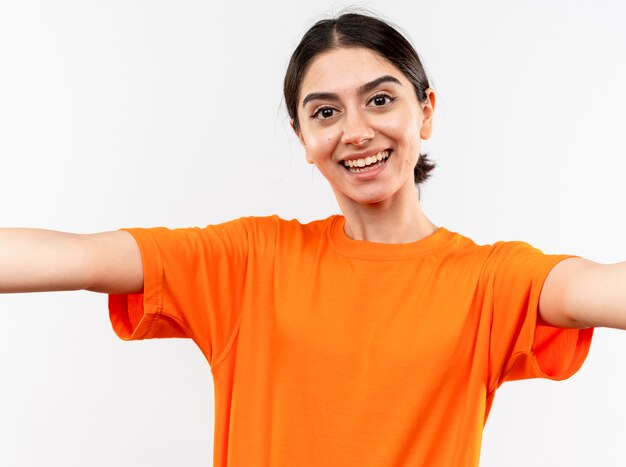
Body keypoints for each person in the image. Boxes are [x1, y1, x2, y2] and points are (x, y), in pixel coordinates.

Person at [1, 11, 624, 467]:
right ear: (303, 136)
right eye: (325, 111)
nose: (356, 131)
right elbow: (80, 256)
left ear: (425, 111)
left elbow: (595, 288)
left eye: (380, 100)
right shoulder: (249, 262)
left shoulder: (491, 280)